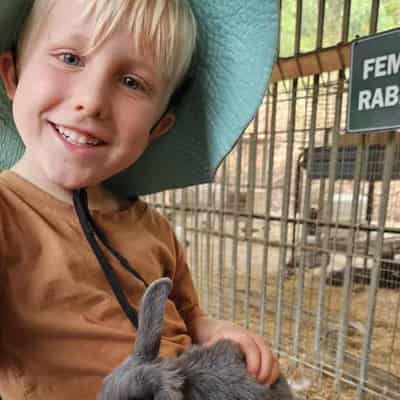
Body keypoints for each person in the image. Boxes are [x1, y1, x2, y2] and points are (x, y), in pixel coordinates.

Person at [0, 0, 279, 398]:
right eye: (70, 57)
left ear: (157, 127)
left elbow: (189, 317)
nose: (92, 100)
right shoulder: (8, 213)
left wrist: (212, 330)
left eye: (132, 82)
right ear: (13, 75)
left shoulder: (154, 228)